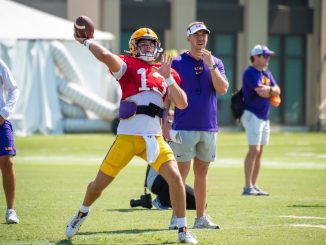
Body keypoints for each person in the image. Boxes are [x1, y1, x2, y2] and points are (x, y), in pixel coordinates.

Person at [66, 27, 198, 244]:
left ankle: (183, 229)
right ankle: (82, 212)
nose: (147, 47)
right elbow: (106, 56)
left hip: (154, 139)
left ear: (157, 47)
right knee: (98, 185)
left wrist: (168, 79)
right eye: (142, 44)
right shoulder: (128, 65)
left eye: (150, 44)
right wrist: (87, 42)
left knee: (175, 178)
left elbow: (182, 103)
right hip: (128, 136)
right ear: (133, 48)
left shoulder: (167, 71)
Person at [163, 22, 229, 230]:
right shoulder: (178, 62)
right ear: (188, 38)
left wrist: (211, 66)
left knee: (202, 173)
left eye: (204, 35)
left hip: (209, 127)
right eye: (196, 35)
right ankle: (176, 217)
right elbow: (167, 95)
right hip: (184, 126)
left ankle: (201, 218)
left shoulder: (215, 62)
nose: (201, 38)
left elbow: (223, 89)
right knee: (180, 174)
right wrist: (164, 121)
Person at [241, 44, 281, 196]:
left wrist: (270, 90)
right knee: (254, 150)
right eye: (265, 56)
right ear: (256, 57)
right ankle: (247, 186)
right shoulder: (250, 72)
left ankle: (254, 185)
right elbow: (261, 92)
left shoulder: (266, 73)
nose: (267, 59)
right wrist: (272, 91)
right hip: (253, 115)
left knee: (260, 152)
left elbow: (277, 89)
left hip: (264, 117)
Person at [0, 59, 20, 224]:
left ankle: (10, 211)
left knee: (7, 162)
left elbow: (13, 89)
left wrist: (4, 112)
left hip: (0, 121)